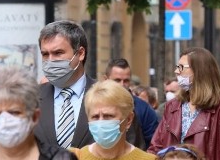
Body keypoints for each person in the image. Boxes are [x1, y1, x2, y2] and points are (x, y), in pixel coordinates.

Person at [36, 21, 144, 151]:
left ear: (80, 53)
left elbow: (132, 151)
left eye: (58, 53)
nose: (50, 60)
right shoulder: (31, 99)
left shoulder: (112, 97)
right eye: (45, 54)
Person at [103, 58, 159, 144]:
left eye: (126, 81)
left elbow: (154, 143)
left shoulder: (143, 109)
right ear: (106, 79)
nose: (121, 85)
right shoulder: (95, 106)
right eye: (117, 80)